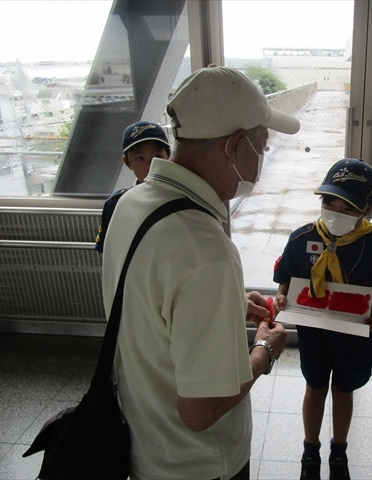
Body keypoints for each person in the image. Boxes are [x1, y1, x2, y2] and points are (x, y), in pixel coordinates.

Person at [101, 64, 299, 480]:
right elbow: (201, 410)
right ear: (236, 144)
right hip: (200, 464)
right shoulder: (205, 250)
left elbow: (151, 308)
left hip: (145, 446)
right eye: (261, 147)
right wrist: (264, 352)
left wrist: (225, 305)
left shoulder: (130, 205)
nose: (261, 160)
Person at [273, 159, 372, 480]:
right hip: (313, 334)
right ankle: (310, 450)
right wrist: (282, 296)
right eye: (330, 201)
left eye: (349, 206)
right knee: (314, 388)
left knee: (344, 391)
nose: (336, 211)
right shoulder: (302, 238)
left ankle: (339, 451)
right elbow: (285, 275)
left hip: (354, 338)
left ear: (367, 209)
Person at [94, 121, 171, 253]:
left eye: (158, 156)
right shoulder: (116, 205)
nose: (150, 165)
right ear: (127, 162)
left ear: (169, 156)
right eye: (140, 158)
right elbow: (110, 255)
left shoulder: (185, 200)